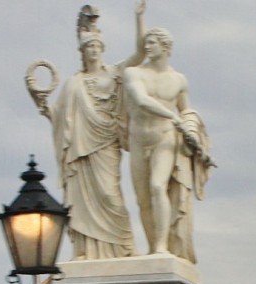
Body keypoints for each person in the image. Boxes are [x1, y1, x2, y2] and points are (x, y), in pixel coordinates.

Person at [32, 1, 146, 260]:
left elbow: (140, 55)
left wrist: (139, 17)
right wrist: (45, 107)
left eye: (96, 47)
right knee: (80, 200)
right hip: (80, 149)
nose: (93, 51)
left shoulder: (115, 72)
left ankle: (126, 247)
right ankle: (84, 249)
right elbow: (61, 119)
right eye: (88, 48)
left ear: (102, 49)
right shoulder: (74, 83)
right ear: (82, 52)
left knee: (110, 196)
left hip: (106, 143)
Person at [122, 27, 212, 262]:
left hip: (165, 138)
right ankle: (153, 247)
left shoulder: (178, 80)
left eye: (152, 42)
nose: (147, 46)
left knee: (157, 186)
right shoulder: (133, 73)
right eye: (146, 42)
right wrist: (173, 116)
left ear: (165, 47)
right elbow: (141, 100)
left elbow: (187, 110)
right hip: (139, 139)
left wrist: (192, 130)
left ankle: (162, 246)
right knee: (143, 199)